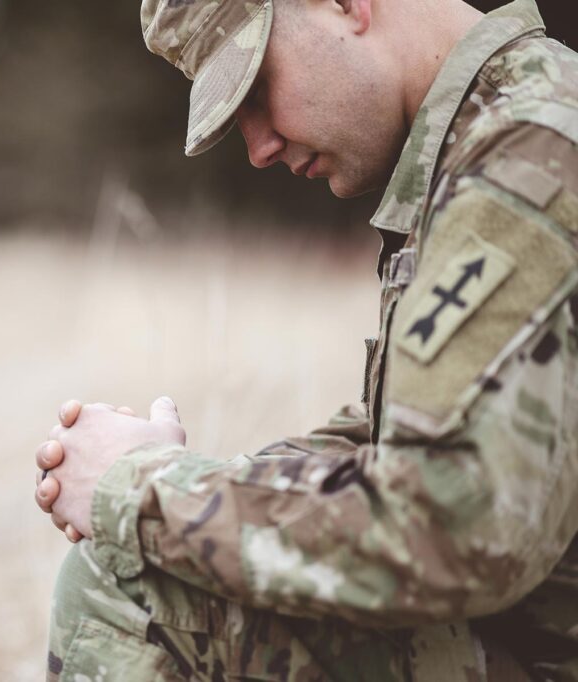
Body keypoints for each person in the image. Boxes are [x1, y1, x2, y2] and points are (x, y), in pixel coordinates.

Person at [32, 0, 578, 679]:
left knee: (130, 588)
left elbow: (450, 526)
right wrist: (203, 486)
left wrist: (143, 489)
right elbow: (407, 441)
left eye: (258, 87)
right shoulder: (503, 132)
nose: (259, 148)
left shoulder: (529, 156)